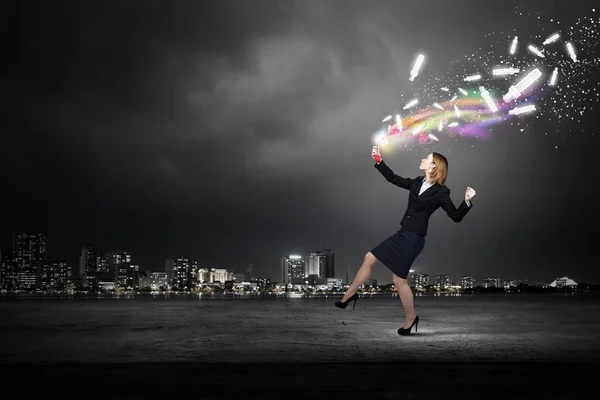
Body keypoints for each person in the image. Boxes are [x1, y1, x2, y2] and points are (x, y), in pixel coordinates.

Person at [335, 145, 476, 336]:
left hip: (414, 238)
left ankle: (411, 318)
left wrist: (466, 201)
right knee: (369, 257)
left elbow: (455, 216)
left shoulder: (442, 192)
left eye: (427, 158)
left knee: (398, 280)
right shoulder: (417, 182)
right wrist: (379, 161)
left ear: (434, 166)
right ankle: (349, 296)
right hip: (402, 233)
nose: (423, 159)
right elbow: (393, 178)